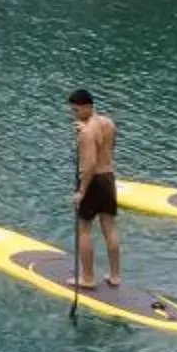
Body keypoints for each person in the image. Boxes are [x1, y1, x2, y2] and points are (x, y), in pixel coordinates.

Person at [67, 89, 120, 288]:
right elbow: (109, 145)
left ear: (87, 107)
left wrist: (82, 191)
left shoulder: (86, 132)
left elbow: (89, 163)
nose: (74, 114)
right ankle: (115, 275)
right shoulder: (108, 123)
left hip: (94, 181)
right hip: (108, 178)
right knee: (109, 228)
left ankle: (88, 278)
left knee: (84, 230)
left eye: (76, 110)